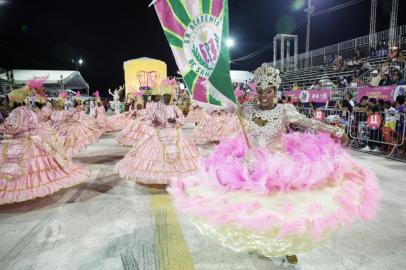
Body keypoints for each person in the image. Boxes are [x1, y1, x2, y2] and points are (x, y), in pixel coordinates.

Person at [168, 63, 379, 268]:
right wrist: (208, 82)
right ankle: (260, 240)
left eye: (268, 90)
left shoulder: (284, 110)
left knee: (283, 210)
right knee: (253, 209)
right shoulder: (246, 108)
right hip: (249, 166)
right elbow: (219, 102)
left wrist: (336, 131)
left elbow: (310, 122)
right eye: (259, 90)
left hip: (278, 166)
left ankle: (288, 248)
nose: (263, 95)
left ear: (275, 90)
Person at [0, 86, 90, 205]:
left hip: (22, 140)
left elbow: (16, 128)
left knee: (23, 167)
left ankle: (27, 188)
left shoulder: (17, 111)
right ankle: (37, 185)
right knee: (38, 167)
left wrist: (3, 129)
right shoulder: (29, 110)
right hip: (35, 139)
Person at [115, 79, 200, 185]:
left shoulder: (174, 108)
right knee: (155, 155)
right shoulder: (156, 107)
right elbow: (148, 120)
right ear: (161, 98)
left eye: (169, 97)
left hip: (174, 133)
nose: (166, 99)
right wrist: (154, 121)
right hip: (159, 133)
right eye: (165, 97)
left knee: (180, 154)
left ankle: (174, 173)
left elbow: (182, 120)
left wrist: (175, 120)